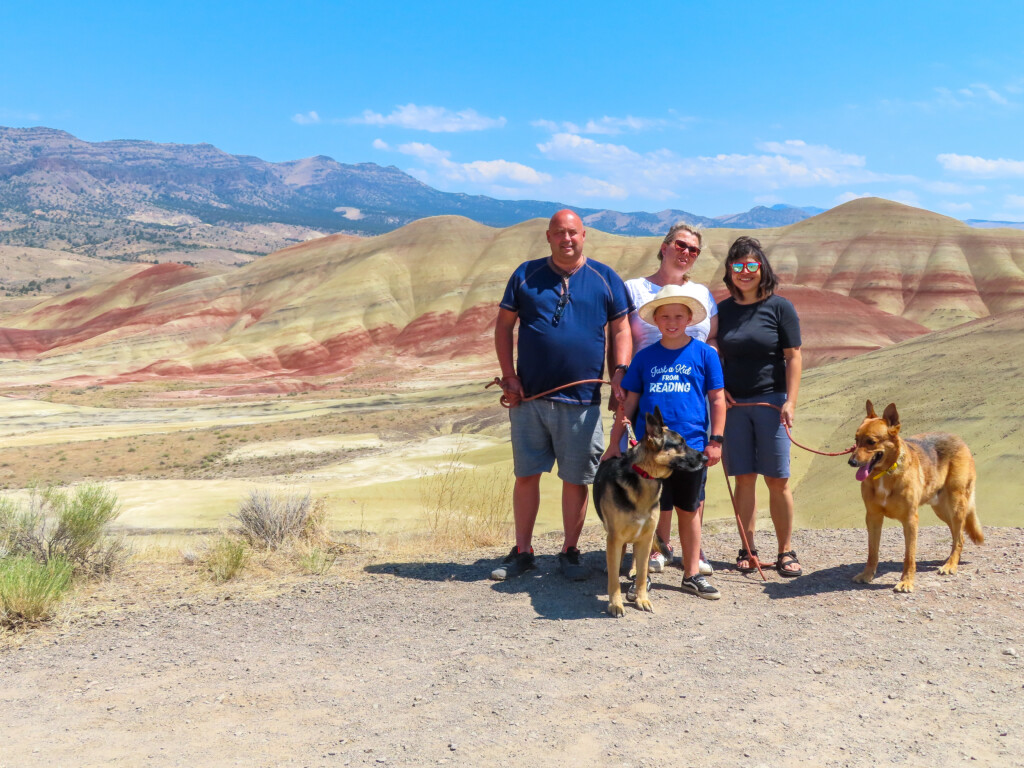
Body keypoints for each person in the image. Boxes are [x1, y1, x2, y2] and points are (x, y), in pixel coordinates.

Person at [491, 209, 632, 581]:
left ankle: (570, 550)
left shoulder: (605, 277)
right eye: (559, 233)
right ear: (548, 236)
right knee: (527, 475)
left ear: (584, 235)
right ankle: (523, 551)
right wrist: (509, 375)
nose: (566, 239)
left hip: (583, 399)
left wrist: (620, 371)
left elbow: (621, 330)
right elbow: (504, 327)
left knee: (577, 479)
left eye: (573, 233)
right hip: (530, 398)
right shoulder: (526, 274)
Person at [604, 285, 726, 599]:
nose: (672, 321)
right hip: (649, 455)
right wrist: (614, 443)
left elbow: (717, 400)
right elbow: (629, 405)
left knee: (689, 510)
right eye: (665, 316)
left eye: (678, 315)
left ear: (689, 319)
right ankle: (638, 576)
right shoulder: (645, 358)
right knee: (644, 513)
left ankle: (692, 574)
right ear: (655, 320)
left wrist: (716, 441)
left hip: (690, 449)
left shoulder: (705, 355)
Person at [624, 222, 717, 576]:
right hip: (647, 393)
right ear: (664, 246)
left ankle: (694, 552)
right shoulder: (635, 288)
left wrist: (716, 386)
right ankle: (656, 547)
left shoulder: (703, 293)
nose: (686, 253)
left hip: (691, 394)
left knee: (693, 472)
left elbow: (712, 341)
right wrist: (621, 376)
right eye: (681, 245)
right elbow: (619, 334)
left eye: (694, 250)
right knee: (650, 472)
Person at [716, 236, 803, 578]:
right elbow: (714, 355)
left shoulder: (781, 307)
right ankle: (747, 550)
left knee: (778, 479)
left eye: (752, 265)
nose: (745, 272)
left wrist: (791, 402)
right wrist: (719, 390)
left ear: (762, 268)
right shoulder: (721, 311)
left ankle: (785, 551)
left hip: (772, 402)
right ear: (730, 271)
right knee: (745, 478)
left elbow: (793, 356)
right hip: (734, 406)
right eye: (738, 266)